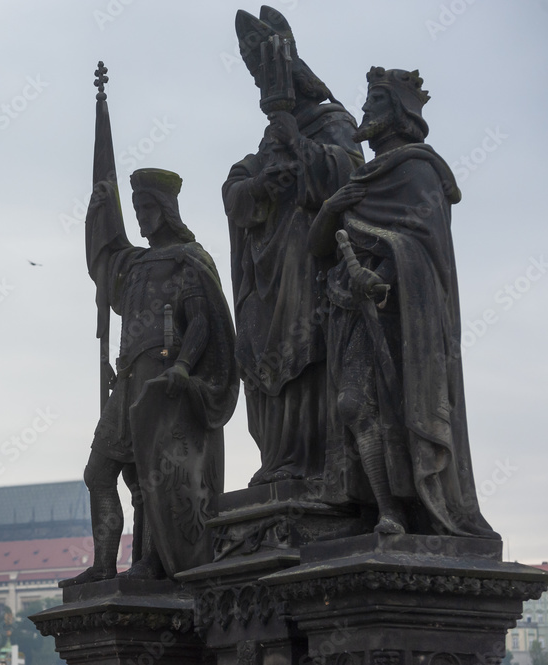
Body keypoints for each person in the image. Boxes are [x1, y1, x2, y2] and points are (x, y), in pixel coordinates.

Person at [309, 67, 497, 538]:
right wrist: (333, 207)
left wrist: (385, 277)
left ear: (396, 112)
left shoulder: (418, 169)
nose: (366, 108)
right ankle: (383, 507)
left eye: (374, 101)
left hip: (400, 315)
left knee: (397, 409)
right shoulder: (361, 179)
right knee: (355, 406)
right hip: (352, 312)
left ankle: (408, 510)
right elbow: (318, 246)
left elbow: (424, 246)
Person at [60, 168, 238, 586]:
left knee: (152, 478)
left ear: (165, 209)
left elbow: (200, 323)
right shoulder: (137, 263)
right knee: (99, 474)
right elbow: (104, 261)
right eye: (136, 208)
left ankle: (153, 561)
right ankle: (104, 565)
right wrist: (102, 210)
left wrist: (182, 366)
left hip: (162, 384)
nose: (140, 217)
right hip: (127, 381)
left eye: (146, 208)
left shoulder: (188, 259)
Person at [224, 7, 364, 486]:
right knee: (262, 355)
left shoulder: (333, 122)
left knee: (307, 352)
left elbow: (351, 175)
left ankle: (313, 461)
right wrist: (261, 183)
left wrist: (300, 151)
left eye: (269, 76)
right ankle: (279, 457)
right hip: (265, 277)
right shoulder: (265, 140)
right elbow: (238, 189)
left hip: (309, 266)